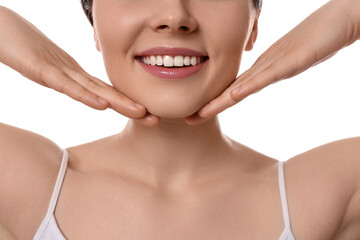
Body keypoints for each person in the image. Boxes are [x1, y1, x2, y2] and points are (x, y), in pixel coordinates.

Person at [0, 0, 359, 239]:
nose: (174, 17)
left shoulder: (324, 192)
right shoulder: (26, 181)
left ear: (253, 24)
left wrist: (347, 17)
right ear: (94, 20)